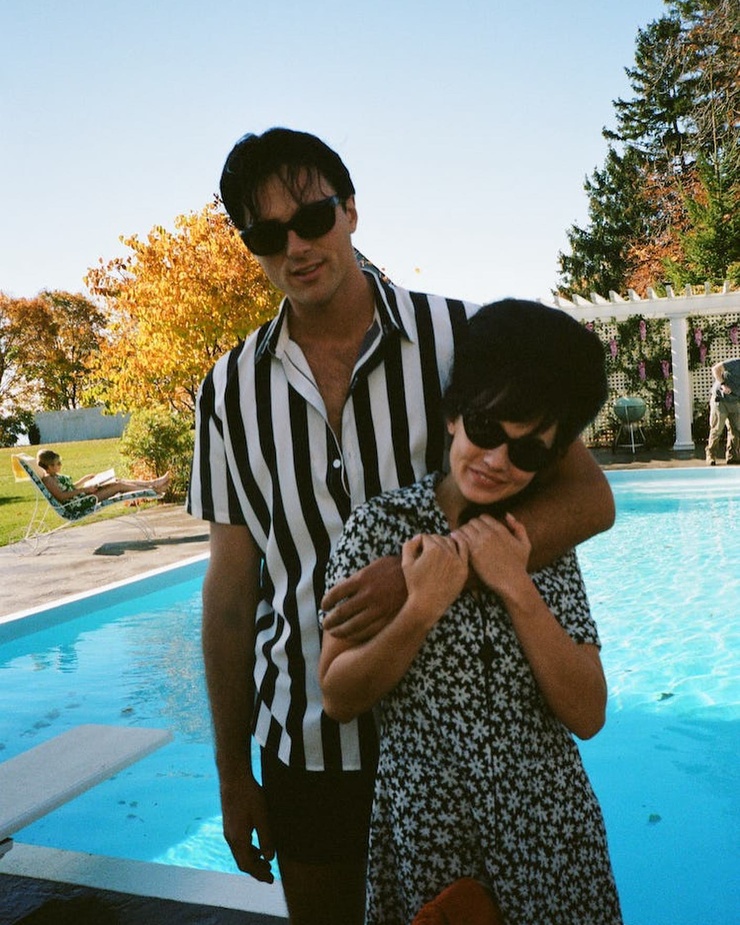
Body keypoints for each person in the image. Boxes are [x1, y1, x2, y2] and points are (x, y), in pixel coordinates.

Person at [187, 127, 615, 925]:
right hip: (313, 741)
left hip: (464, 754)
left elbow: (590, 497)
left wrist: (422, 571)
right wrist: (233, 772)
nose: (296, 246)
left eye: (313, 217)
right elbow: (231, 590)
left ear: (350, 209)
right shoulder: (228, 391)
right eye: (266, 234)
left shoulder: (460, 339)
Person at [320, 298, 623, 925]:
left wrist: (516, 587)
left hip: (550, 833)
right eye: (485, 429)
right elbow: (339, 695)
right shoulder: (380, 529)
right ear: (454, 415)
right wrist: (419, 610)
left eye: (528, 452)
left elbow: (588, 712)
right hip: (431, 836)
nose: (496, 460)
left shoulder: (535, 537)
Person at [36, 449, 169, 512]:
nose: (60, 465)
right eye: (58, 463)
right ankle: (154, 490)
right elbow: (62, 496)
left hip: (82, 497)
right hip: (80, 503)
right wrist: (85, 490)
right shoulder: (48, 480)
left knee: (116, 480)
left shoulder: (54, 476)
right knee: (118, 486)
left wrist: (84, 479)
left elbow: (71, 488)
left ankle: (153, 483)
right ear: (49, 466)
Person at [705, 357, 740, 465]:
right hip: (720, 400)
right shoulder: (735, 363)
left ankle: (732, 456)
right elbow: (715, 369)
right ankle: (710, 456)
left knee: (736, 429)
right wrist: (723, 384)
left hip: (735, 401)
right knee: (717, 429)